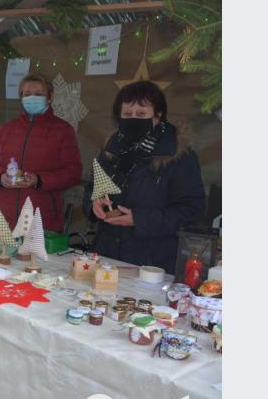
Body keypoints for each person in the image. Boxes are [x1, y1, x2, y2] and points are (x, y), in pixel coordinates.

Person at [85, 81, 205, 273]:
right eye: (127, 114)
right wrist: (94, 204)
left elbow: (192, 210)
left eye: (141, 114)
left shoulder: (178, 155)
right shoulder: (112, 149)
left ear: (158, 116)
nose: (134, 119)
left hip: (152, 263)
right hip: (107, 256)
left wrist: (139, 219)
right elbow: (92, 187)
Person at [0, 73, 82, 231]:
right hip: (2, 216)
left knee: (34, 256)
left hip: (40, 219)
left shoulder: (63, 130)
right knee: (1, 256)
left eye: (39, 94)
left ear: (50, 97)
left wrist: (39, 179)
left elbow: (73, 172)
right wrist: (0, 177)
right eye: (27, 94)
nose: (32, 98)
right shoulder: (7, 129)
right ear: (21, 98)